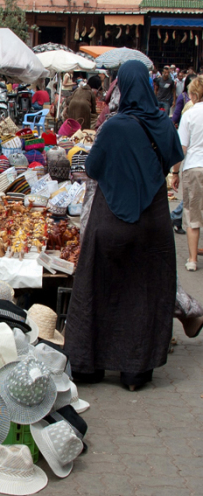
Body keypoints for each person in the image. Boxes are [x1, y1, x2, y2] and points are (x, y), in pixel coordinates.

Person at [64, 60, 183, 391]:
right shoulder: (162, 122)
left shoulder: (113, 127)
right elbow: (173, 157)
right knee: (145, 294)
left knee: (99, 290)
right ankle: (135, 372)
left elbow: (93, 167)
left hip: (113, 218)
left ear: (122, 87)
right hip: (155, 222)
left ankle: (90, 366)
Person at [171, 77, 203, 273]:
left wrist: (175, 172)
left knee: (193, 215)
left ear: (193, 95)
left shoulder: (190, 115)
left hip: (194, 167)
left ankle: (192, 259)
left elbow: (181, 147)